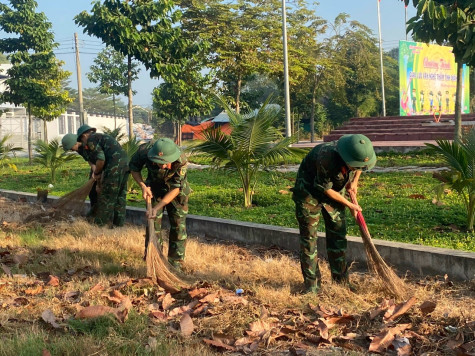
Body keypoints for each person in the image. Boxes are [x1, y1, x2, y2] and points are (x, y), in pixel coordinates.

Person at [291, 134, 376, 293]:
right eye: (354, 166)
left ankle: (341, 282)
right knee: (309, 239)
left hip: (334, 190)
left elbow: (360, 167)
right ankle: (313, 287)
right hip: (309, 193)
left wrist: (354, 181)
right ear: (346, 157)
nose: (357, 169)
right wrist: (350, 205)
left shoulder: (356, 153)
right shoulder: (327, 157)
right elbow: (325, 189)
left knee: (338, 235)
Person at [129, 138, 191, 269]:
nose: (161, 166)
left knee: (178, 226)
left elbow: (175, 189)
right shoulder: (144, 151)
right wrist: (143, 186)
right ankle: (153, 259)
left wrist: (157, 207)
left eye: (165, 163)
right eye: (157, 162)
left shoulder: (181, 159)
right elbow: (134, 168)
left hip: (177, 192)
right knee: (152, 224)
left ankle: (176, 264)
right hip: (154, 187)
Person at [62, 124, 129, 227]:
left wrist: (98, 174)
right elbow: (91, 161)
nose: (72, 150)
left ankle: (100, 225)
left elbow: (101, 160)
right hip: (122, 164)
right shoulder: (82, 148)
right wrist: (95, 176)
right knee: (117, 194)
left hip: (114, 164)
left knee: (107, 195)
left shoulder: (91, 140)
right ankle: (117, 225)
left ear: (83, 137)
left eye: (71, 148)